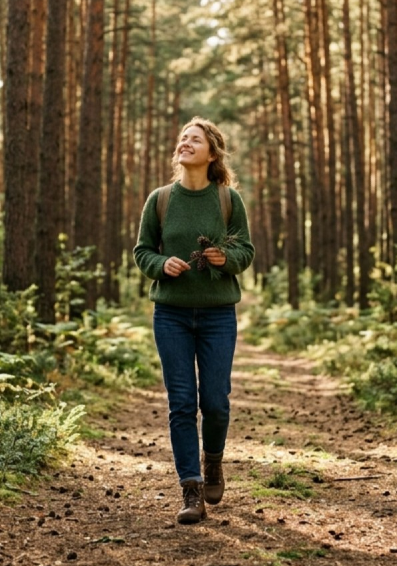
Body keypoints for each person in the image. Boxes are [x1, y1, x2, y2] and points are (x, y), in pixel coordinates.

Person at [133, 117, 255, 524]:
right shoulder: (160, 199)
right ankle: (191, 488)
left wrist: (226, 258)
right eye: (183, 138)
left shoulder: (228, 199)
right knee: (182, 402)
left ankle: (213, 461)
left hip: (218, 314)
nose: (185, 143)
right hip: (171, 315)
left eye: (195, 139)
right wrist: (160, 265)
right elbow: (142, 251)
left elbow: (246, 251)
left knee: (215, 401)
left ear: (212, 153)